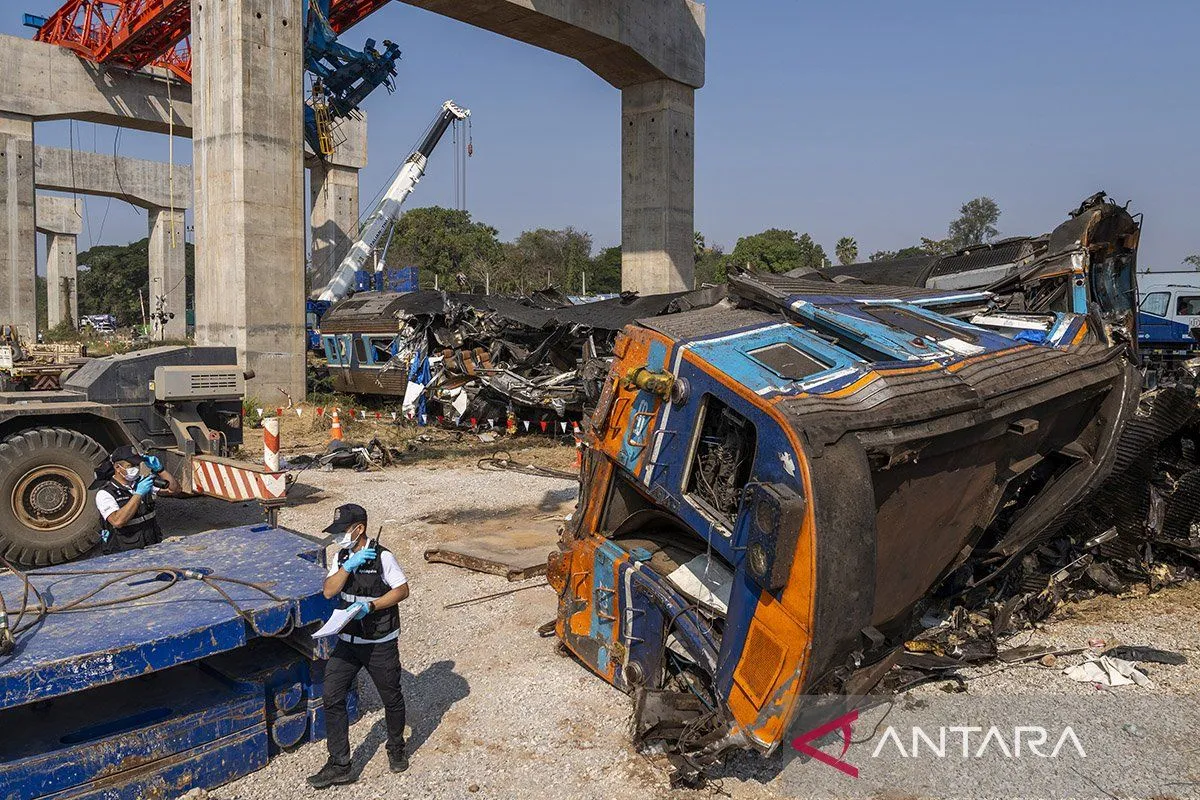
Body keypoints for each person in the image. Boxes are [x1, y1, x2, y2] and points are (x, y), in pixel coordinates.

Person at [308, 503, 410, 789]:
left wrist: (372, 606)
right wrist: (348, 566)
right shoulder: (341, 556)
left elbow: (402, 590)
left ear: (359, 528)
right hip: (348, 642)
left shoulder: (383, 556)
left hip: (379, 643)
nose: (338, 536)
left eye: (343, 530)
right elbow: (329, 591)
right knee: (332, 695)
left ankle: (396, 747)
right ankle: (340, 764)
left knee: (391, 698)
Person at [93, 445, 181, 554]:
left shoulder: (142, 483)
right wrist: (138, 494)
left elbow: (175, 490)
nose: (135, 469)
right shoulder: (105, 493)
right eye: (130, 466)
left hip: (152, 546)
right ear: (117, 467)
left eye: (137, 465)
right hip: (124, 552)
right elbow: (117, 521)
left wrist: (160, 470)